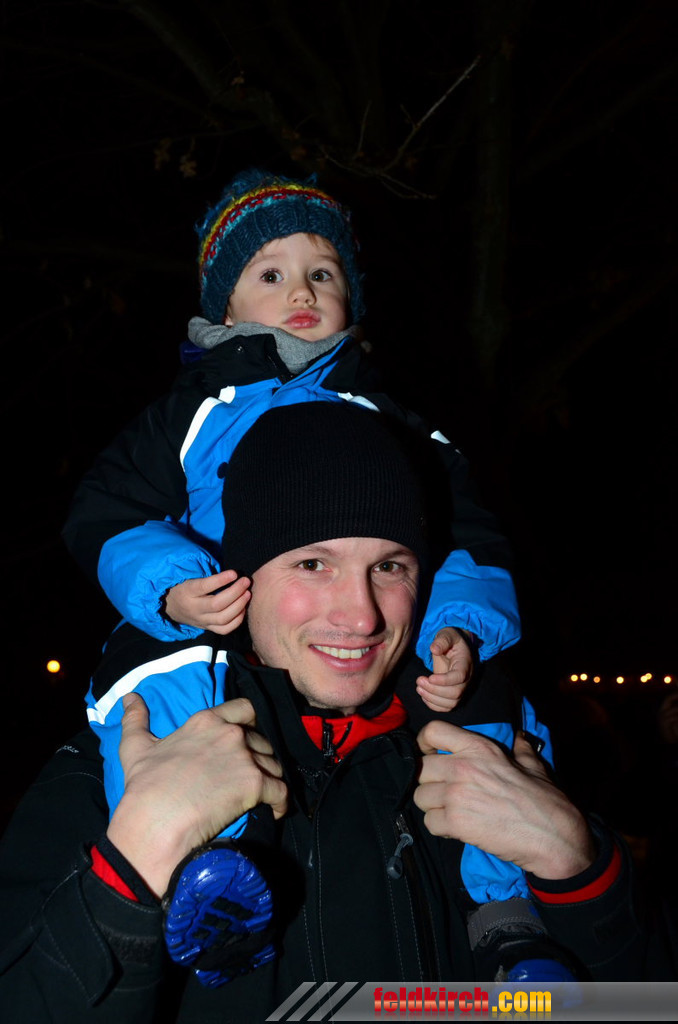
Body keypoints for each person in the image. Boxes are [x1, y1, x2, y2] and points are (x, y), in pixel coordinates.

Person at [0, 403, 649, 1021]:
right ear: (239, 580)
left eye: (389, 566)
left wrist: (579, 870)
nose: (362, 616)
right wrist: (134, 865)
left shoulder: (496, 755)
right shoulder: (117, 767)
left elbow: (637, 1006)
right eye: (313, 563)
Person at [60, 169, 530, 956]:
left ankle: (505, 915)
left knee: (483, 700)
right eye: (270, 275)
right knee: (155, 677)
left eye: (323, 272)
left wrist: (458, 625)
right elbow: (106, 508)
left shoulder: (390, 418)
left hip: (368, 643)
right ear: (225, 307)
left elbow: (471, 532)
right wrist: (169, 588)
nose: (302, 291)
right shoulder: (194, 409)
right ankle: (209, 873)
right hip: (216, 612)